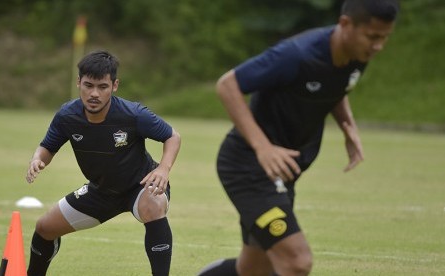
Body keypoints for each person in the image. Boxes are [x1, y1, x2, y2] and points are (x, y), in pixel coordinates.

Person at [198, 0, 400, 275]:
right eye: (373, 37)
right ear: (345, 25)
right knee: (297, 261)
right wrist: (263, 148)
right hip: (248, 170)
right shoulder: (296, 55)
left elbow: (337, 86)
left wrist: (347, 126)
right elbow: (227, 85)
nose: (378, 46)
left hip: (284, 172)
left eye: (385, 38)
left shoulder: (357, 55)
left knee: (255, 268)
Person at [25, 50, 181, 276]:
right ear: (78, 83)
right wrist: (37, 159)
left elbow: (173, 136)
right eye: (88, 85)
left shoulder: (134, 114)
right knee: (45, 228)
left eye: (102, 87)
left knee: (153, 204)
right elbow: (47, 147)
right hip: (101, 190)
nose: (94, 93)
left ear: (114, 85)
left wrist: (163, 169)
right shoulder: (67, 116)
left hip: (141, 185)